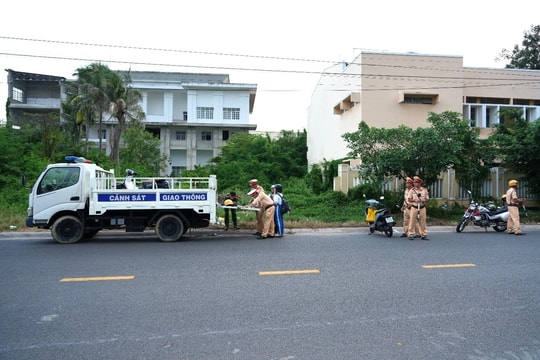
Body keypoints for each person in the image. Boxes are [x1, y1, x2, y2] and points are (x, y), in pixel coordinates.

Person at [407, 176, 429, 240]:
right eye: (414, 182)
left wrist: (423, 200)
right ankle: (410, 234)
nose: (415, 184)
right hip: (414, 207)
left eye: (416, 182)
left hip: (422, 207)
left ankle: (423, 234)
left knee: (423, 221)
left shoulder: (424, 190)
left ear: (419, 183)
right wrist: (415, 200)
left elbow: (427, 198)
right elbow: (409, 199)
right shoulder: (412, 190)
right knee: (412, 221)